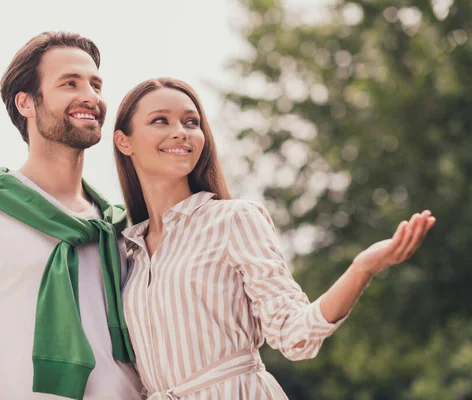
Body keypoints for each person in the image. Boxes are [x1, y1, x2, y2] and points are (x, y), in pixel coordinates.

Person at [112, 77, 435, 399]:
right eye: (160, 120)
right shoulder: (126, 251)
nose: (181, 131)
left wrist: (362, 268)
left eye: (191, 122)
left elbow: (295, 335)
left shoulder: (233, 219)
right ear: (124, 142)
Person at [0, 32, 142, 400]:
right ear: (26, 103)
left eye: (96, 84)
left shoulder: (120, 227)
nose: (91, 96)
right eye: (70, 83)